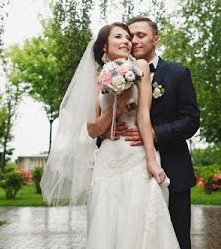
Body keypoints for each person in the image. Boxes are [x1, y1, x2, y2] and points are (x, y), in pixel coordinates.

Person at [41, 22, 180, 249]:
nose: (127, 41)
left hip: (136, 156)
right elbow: (93, 129)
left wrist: (150, 160)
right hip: (108, 158)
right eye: (119, 37)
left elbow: (144, 116)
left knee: (140, 220)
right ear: (104, 46)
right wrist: (117, 105)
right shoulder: (95, 77)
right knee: (106, 221)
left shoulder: (141, 67)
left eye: (128, 37)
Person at [112, 17, 200, 249]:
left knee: (176, 238)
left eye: (141, 35)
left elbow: (191, 121)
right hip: (129, 169)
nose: (135, 41)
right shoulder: (116, 75)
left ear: (156, 39)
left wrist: (154, 134)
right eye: (131, 36)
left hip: (173, 168)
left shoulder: (178, 73)